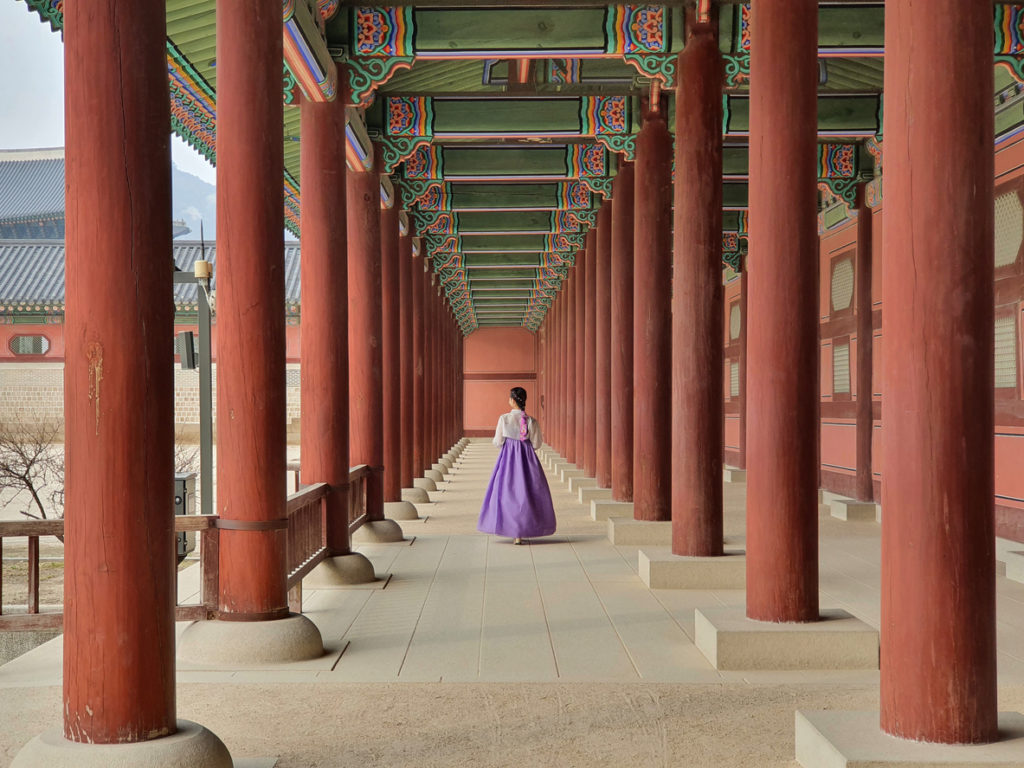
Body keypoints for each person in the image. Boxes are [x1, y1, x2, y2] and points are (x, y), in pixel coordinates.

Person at [477, 386, 557, 544]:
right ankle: (523, 529)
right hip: (527, 459)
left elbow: (498, 441)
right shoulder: (531, 421)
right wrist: (524, 448)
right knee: (528, 491)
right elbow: (536, 443)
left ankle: (514, 532)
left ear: (513, 400)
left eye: (509, 398)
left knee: (507, 492)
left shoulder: (504, 419)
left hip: (508, 458)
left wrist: (508, 447)